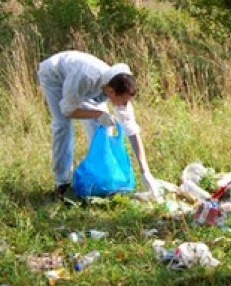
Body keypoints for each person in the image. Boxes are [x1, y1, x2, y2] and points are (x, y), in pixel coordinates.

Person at [37, 50, 161, 201]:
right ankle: (62, 183)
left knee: (104, 128)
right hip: (55, 75)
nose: (124, 105)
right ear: (110, 91)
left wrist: (145, 171)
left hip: (88, 88)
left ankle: (101, 178)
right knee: (62, 125)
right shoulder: (85, 78)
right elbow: (67, 110)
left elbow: (132, 130)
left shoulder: (117, 85)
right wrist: (97, 114)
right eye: (122, 101)